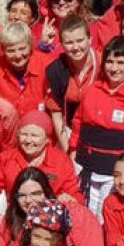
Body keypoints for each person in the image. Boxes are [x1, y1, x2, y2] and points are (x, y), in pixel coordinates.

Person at [70, 35, 124, 216]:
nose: (114, 68)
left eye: (121, 62)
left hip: (113, 175)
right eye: (110, 62)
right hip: (86, 167)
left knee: (106, 217)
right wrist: (72, 151)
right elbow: (78, 123)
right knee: (84, 216)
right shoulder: (93, 90)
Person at [0, 110, 80, 205]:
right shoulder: (5, 158)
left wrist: (69, 199)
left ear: (47, 139)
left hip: (50, 214)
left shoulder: (61, 161)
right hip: (16, 213)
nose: (28, 140)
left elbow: (74, 193)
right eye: (24, 134)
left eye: (34, 136)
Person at [44, 16, 98, 150]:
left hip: (99, 131)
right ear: (61, 44)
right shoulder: (55, 70)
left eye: (80, 40)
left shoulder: (104, 65)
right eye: (69, 43)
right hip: (68, 132)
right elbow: (56, 115)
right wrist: (67, 149)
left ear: (90, 40)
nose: (75, 47)